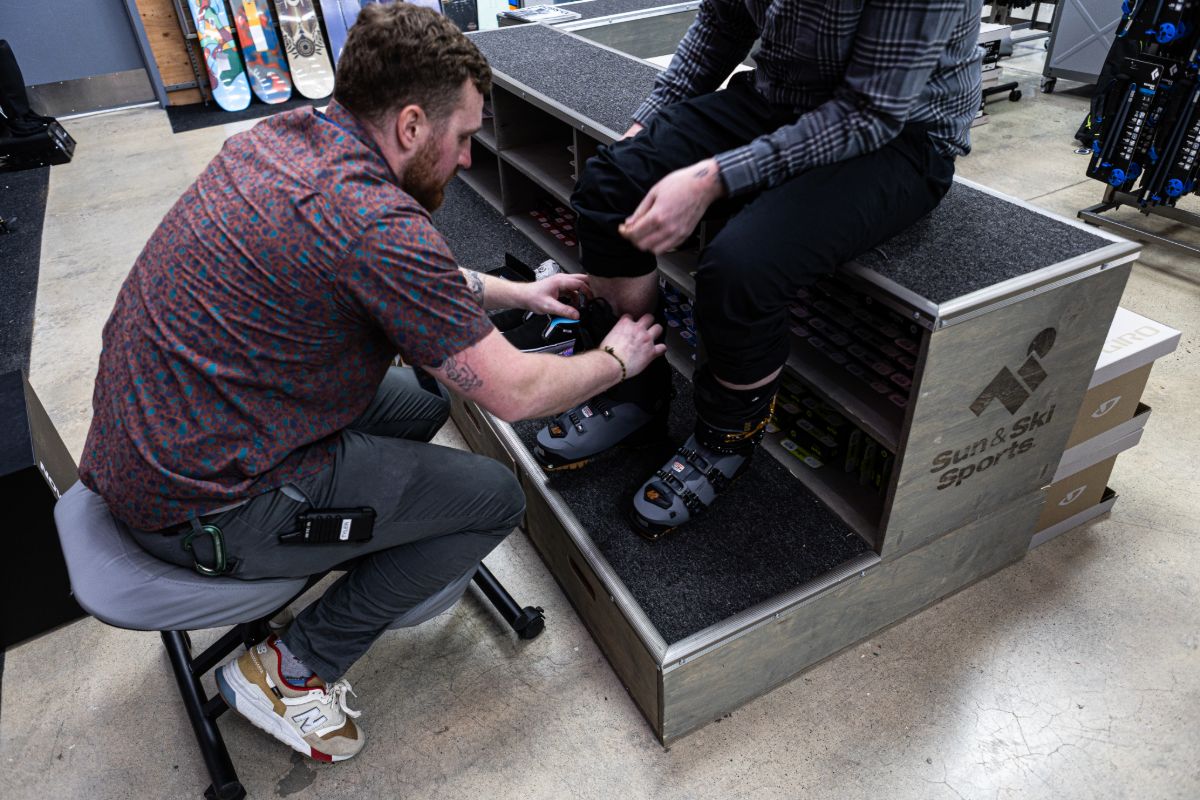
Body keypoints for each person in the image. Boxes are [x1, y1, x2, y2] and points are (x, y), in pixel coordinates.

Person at [77, 4, 663, 764]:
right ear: (413, 125)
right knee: (493, 498)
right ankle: (294, 669)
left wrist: (514, 295)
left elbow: (394, 276)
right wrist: (618, 360)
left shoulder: (281, 140)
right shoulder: (377, 226)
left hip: (151, 444)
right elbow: (513, 393)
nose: (465, 160)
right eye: (461, 138)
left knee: (419, 400)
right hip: (206, 508)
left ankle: (369, 540)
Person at [534, 0, 983, 539]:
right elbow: (723, 23)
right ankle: (636, 386)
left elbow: (871, 112)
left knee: (741, 266)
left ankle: (725, 436)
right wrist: (643, 132)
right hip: (781, 98)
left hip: (899, 133)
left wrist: (711, 179)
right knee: (610, 187)